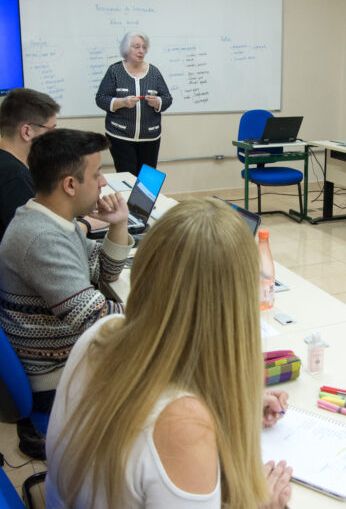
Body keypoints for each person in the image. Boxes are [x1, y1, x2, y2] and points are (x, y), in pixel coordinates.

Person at [46, 198, 292, 508]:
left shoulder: (103, 331)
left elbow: (174, 375)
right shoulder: (182, 428)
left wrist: (236, 406)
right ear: (237, 304)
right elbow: (171, 420)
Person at [0, 129, 133, 418]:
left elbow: (104, 272)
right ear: (70, 185)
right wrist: (170, 307)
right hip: (57, 378)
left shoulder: (53, 220)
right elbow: (95, 318)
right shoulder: (40, 237)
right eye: (97, 174)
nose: (104, 182)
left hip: (68, 358)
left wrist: (118, 224)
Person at [96, 31, 173, 175]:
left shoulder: (154, 72)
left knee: (147, 180)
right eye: (136, 47)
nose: (141, 51)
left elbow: (167, 98)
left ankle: (145, 199)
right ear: (126, 49)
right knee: (128, 178)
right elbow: (101, 99)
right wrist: (123, 102)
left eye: (144, 47)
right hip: (120, 135)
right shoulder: (115, 71)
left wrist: (157, 102)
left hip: (150, 137)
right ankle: (127, 199)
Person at [0, 87, 60, 242]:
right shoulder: (15, 178)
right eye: (51, 129)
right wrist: (86, 223)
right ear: (26, 132)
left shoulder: (11, 165)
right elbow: (39, 241)